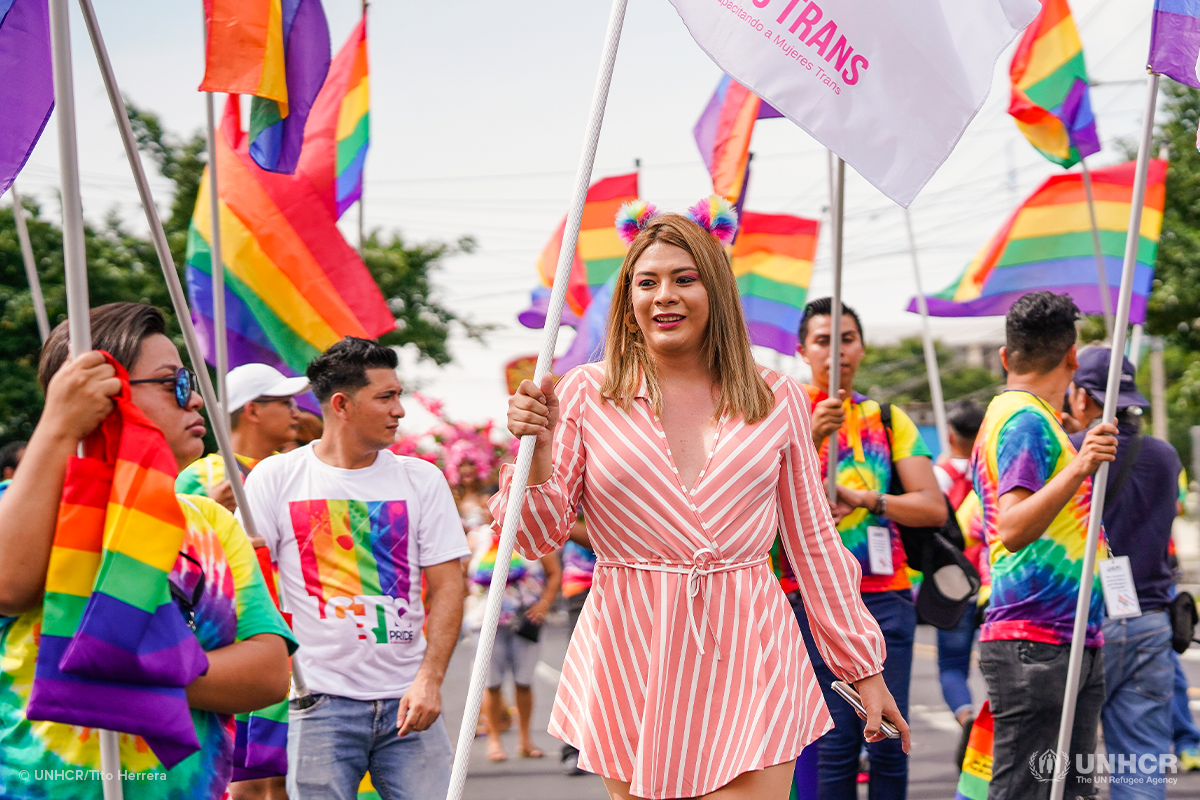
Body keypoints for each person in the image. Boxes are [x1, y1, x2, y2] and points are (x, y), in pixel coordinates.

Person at [496, 205, 907, 800]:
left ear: (715, 290)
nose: (665, 295)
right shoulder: (584, 392)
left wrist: (864, 671)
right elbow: (536, 537)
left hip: (751, 643)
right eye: (647, 281)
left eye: (684, 278)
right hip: (633, 647)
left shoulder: (776, 396)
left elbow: (814, 544)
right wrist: (534, 451)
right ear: (628, 303)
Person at [0, 302, 295, 799]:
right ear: (103, 393)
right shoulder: (22, 507)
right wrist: (58, 424)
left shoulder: (210, 522)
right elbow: (8, 585)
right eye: (174, 384)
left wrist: (123, 665)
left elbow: (267, 673)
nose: (197, 400)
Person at [240, 337, 468, 800]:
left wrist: (429, 680)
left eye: (398, 395)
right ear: (341, 405)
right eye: (386, 397)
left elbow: (448, 587)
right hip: (317, 701)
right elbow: (251, 583)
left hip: (410, 702)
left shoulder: (421, 479)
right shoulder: (275, 477)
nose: (400, 410)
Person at [793, 296, 946, 799]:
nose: (836, 351)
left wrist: (866, 500)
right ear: (801, 349)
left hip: (884, 598)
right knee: (835, 743)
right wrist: (811, 439)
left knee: (887, 740)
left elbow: (931, 508)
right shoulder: (779, 414)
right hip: (808, 601)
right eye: (822, 340)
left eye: (847, 338)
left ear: (861, 347)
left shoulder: (887, 419)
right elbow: (748, 504)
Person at [973, 292, 1117, 800]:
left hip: (1062, 638)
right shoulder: (1025, 419)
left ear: (1005, 357)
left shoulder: (1031, 417)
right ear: (1073, 357)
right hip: (1037, 642)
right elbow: (1012, 528)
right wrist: (1080, 466)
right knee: (1026, 792)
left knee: (1069, 792)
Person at [1068, 346, 1183, 798]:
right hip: (1151, 622)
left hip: (1085, 623)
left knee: (1061, 765)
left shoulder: (1073, 451)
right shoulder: (1165, 455)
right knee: (1141, 765)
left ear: (1082, 397)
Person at [466, 527, 562, 762]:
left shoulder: (534, 534)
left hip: (525, 621)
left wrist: (545, 603)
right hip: (485, 622)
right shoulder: (477, 539)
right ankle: (494, 740)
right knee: (491, 684)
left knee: (524, 682)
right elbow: (459, 573)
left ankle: (525, 740)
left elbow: (554, 572)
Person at [176, 363, 310, 511]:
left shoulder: (295, 469)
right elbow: (170, 532)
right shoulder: (197, 478)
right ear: (252, 411)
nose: (296, 414)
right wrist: (211, 512)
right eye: (286, 403)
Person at [931, 400, 986, 757]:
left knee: (952, 666)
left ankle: (966, 717)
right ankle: (989, 732)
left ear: (950, 434)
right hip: (992, 585)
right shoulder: (992, 470)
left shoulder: (939, 476)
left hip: (952, 584)